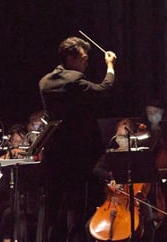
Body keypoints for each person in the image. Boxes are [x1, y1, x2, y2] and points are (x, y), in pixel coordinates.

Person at [38, 35, 117, 242]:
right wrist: (110, 66)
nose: (86, 62)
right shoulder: (74, 80)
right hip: (79, 154)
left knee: (55, 209)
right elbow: (104, 89)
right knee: (79, 206)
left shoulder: (44, 82)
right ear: (70, 58)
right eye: (83, 58)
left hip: (54, 154)